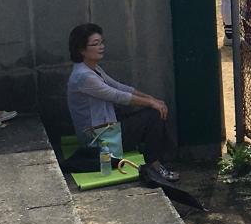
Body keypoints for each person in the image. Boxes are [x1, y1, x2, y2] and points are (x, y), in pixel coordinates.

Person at [66, 24, 179, 181]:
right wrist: (151, 104)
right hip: (99, 140)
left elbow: (119, 87)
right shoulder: (83, 76)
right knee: (153, 115)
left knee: (151, 110)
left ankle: (158, 159)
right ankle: (154, 165)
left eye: (102, 42)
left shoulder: (92, 69)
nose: (101, 47)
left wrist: (152, 99)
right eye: (95, 44)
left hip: (108, 128)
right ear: (81, 50)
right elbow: (117, 95)